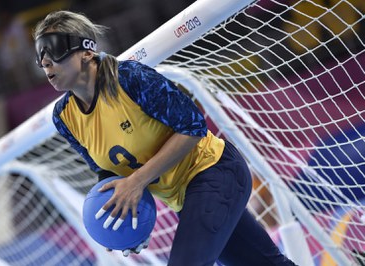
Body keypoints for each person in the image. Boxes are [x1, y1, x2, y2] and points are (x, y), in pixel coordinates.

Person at [33, 10, 297, 266]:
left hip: (213, 170)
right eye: (39, 53)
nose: (45, 61)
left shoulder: (130, 78)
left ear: (87, 50)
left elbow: (193, 127)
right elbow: (106, 172)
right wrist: (124, 222)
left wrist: (137, 181)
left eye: (53, 48)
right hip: (183, 198)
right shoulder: (64, 117)